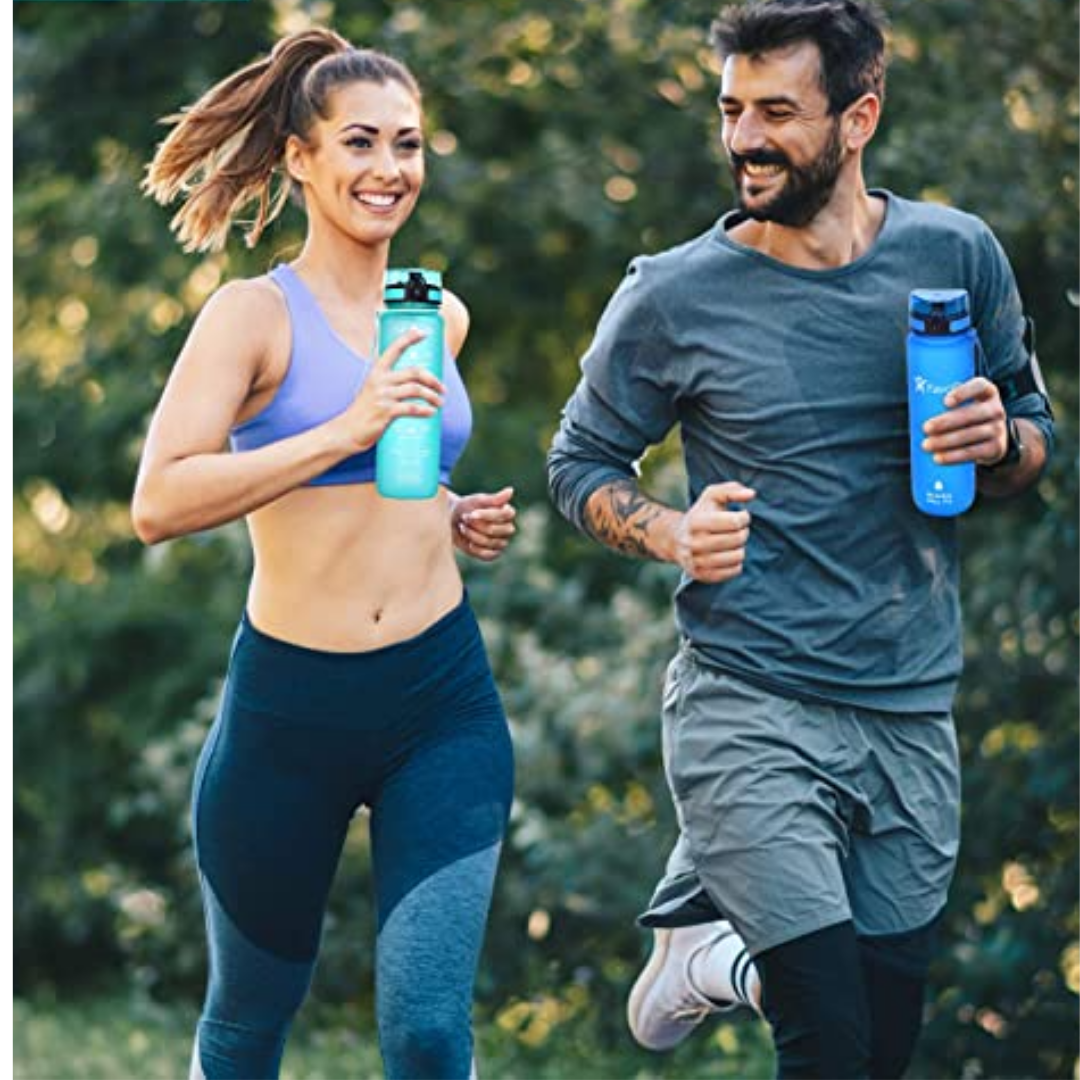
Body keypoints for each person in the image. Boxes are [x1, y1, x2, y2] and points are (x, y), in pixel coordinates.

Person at [547, 1, 1054, 1076]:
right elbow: (577, 464)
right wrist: (669, 532)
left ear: (859, 116)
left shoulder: (957, 255)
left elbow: (1038, 438)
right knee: (825, 1043)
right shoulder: (674, 295)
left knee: (881, 1050)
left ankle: (694, 940)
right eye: (732, 109)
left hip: (911, 711)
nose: (743, 137)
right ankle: (701, 921)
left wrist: (1001, 439)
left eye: (777, 110)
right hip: (749, 700)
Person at [133, 28, 517, 1080]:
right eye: (360, 143)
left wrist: (450, 513)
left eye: (408, 144)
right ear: (301, 157)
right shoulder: (250, 318)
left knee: (431, 1035)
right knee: (249, 1026)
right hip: (287, 715)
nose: (389, 169)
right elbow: (160, 500)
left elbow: (393, 483)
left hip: (440, 701)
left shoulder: (439, 314)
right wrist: (346, 429)